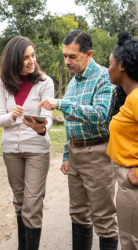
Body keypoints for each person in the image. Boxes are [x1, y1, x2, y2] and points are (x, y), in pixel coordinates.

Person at [37, 30, 118, 250]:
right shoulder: (73, 83)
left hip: (99, 152)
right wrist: (66, 154)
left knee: (103, 216)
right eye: (64, 56)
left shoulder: (104, 77)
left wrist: (61, 104)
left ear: (88, 54)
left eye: (72, 56)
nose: (67, 61)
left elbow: (101, 115)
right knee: (78, 213)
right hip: (76, 153)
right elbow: (72, 123)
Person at [0, 36, 54, 250]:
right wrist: (12, 115)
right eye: (25, 58)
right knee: (19, 202)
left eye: (33, 56)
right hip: (11, 150)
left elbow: (47, 119)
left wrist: (40, 127)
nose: (31, 61)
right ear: (13, 60)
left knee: (32, 203)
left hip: (37, 150)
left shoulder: (45, 82)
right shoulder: (3, 83)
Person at [107, 32, 138, 250]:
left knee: (130, 242)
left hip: (133, 184)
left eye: (109, 63)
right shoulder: (130, 97)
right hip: (126, 181)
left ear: (122, 66)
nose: (107, 68)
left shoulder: (136, 99)